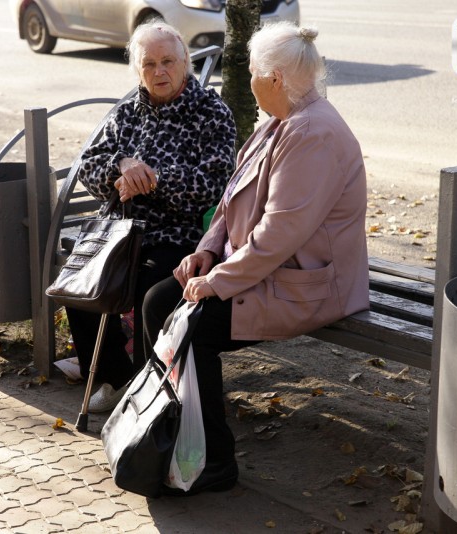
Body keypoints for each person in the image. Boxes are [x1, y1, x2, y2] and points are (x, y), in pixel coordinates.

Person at [143, 22, 369, 494]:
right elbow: (232, 203)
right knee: (158, 302)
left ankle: (214, 461)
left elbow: (280, 233)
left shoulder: (313, 132)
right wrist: (207, 251)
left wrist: (219, 280)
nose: (247, 80)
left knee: (192, 328)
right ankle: (182, 437)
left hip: (302, 282)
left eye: (250, 72)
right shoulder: (279, 120)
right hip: (263, 268)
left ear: (275, 79)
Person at [67, 21, 237, 412]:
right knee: (82, 283)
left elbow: (212, 187)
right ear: (137, 70)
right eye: (149, 64)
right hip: (122, 230)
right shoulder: (127, 112)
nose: (159, 71)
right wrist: (120, 166)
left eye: (167, 62)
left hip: (182, 235)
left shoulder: (210, 113)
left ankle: (155, 393)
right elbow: (88, 165)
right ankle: (116, 379)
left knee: (150, 289)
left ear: (185, 63)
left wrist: (152, 180)